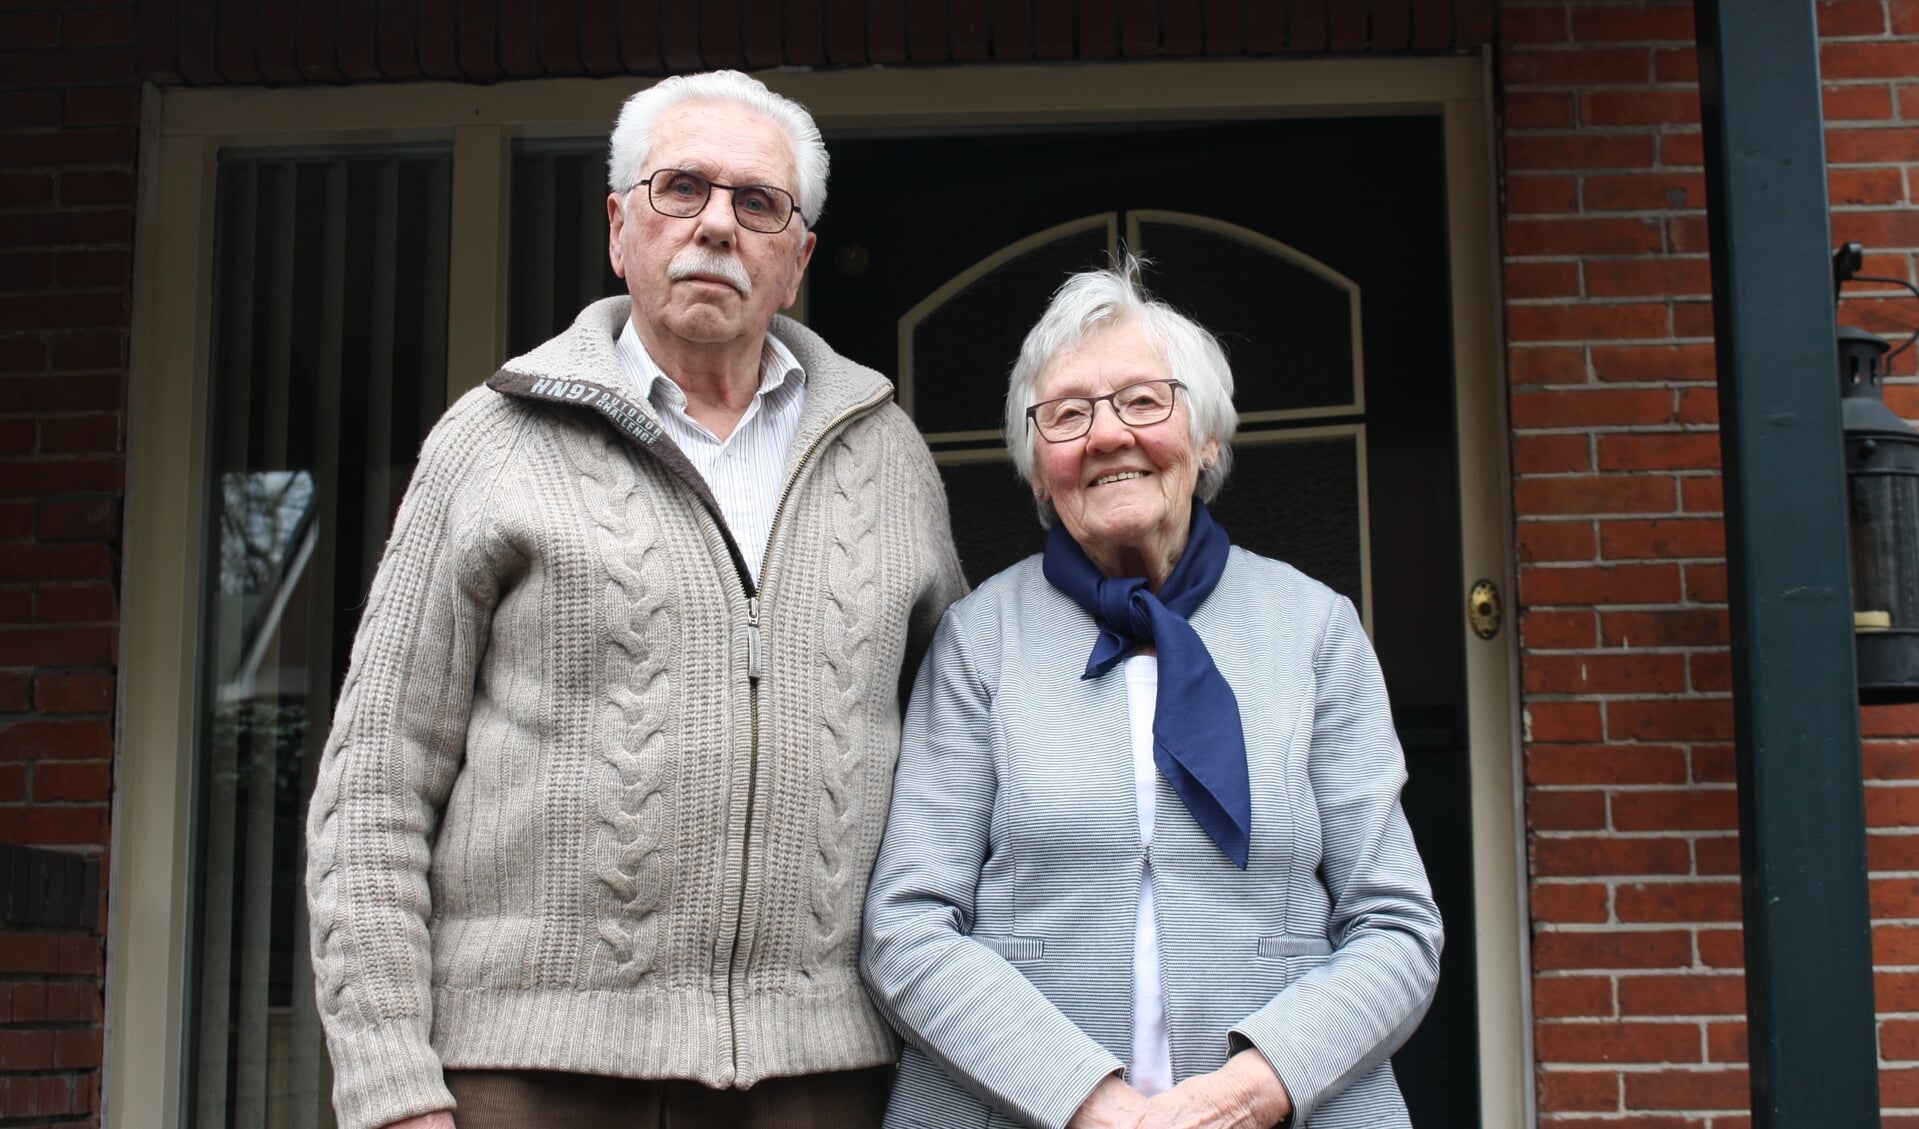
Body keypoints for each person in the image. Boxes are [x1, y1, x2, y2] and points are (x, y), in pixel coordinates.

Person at [305, 70, 966, 1129]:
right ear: (620, 228)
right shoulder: (489, 443)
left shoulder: (885, 456)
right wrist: (390, 1088)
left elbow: (957, 764)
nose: (716, 224)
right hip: (526, 1071)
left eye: (758, 204)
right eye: (681, 190)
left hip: (821, 1074)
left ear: (795, 258)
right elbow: (376, 783)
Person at [861, 258, 1442, 1129]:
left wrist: (1244, 1096)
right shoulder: (979, 639)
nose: (1106, 436)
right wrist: (1095, 1107)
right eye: (1066, 415)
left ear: (1205, 438)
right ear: (1035, 470)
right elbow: (906, 926)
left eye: (1143, 401)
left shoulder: (1313, 628)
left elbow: (1395, 927)